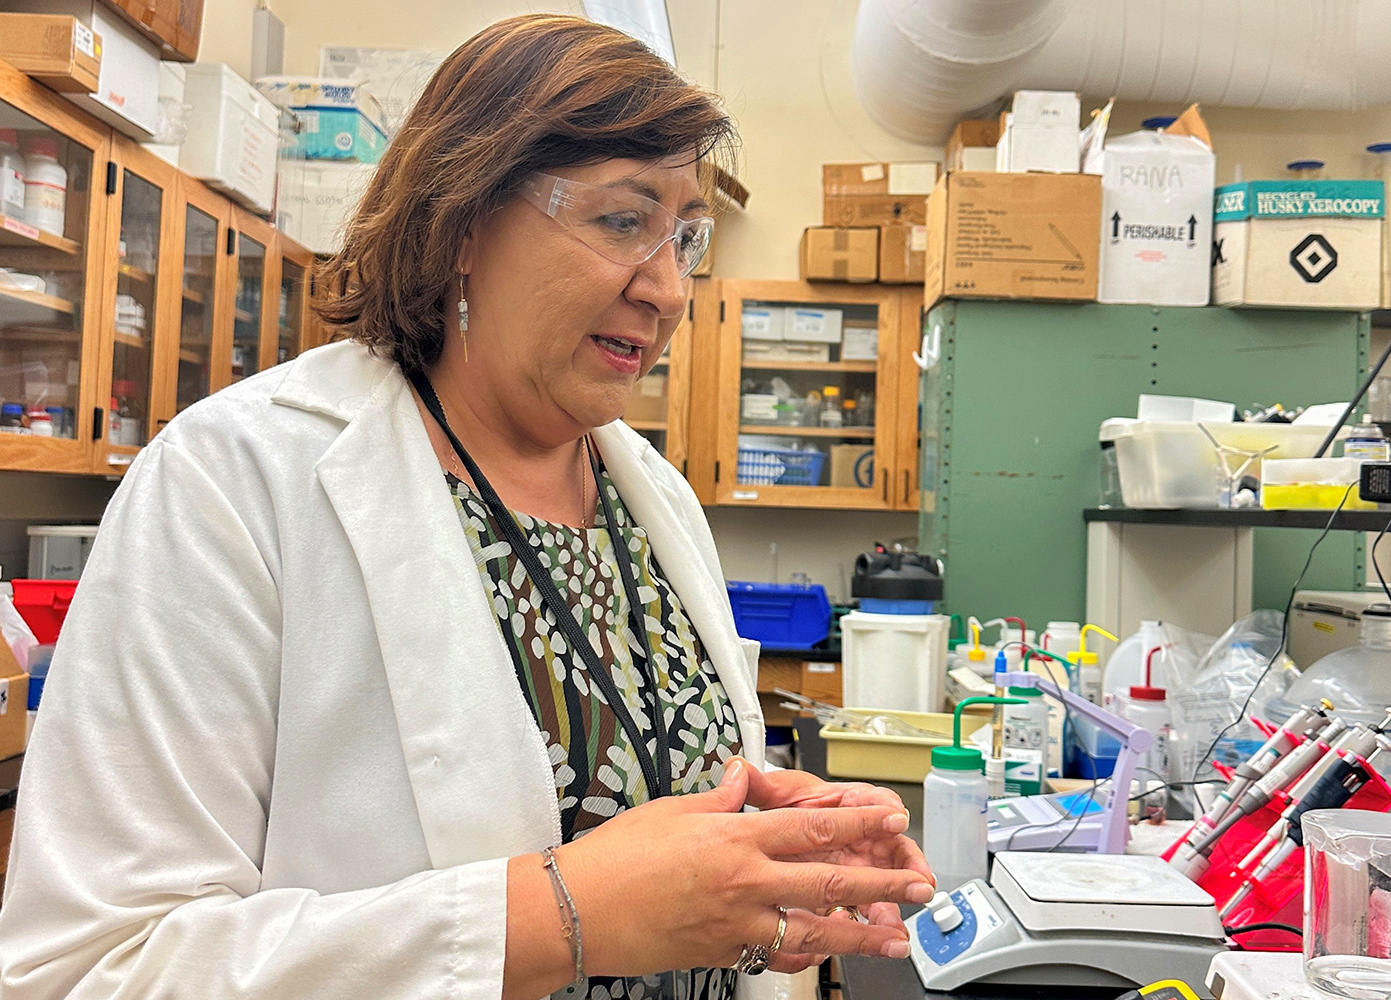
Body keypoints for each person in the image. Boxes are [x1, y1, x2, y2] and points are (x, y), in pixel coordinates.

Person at [0, 14, 934, 1000]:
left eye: (684, 238)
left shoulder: (650, 497)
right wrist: (559, 917)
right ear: (461, 225)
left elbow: (641, 832)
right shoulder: (231, 485)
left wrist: (764, 862)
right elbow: (89, 969)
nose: (666, 287)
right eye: (624, 219)